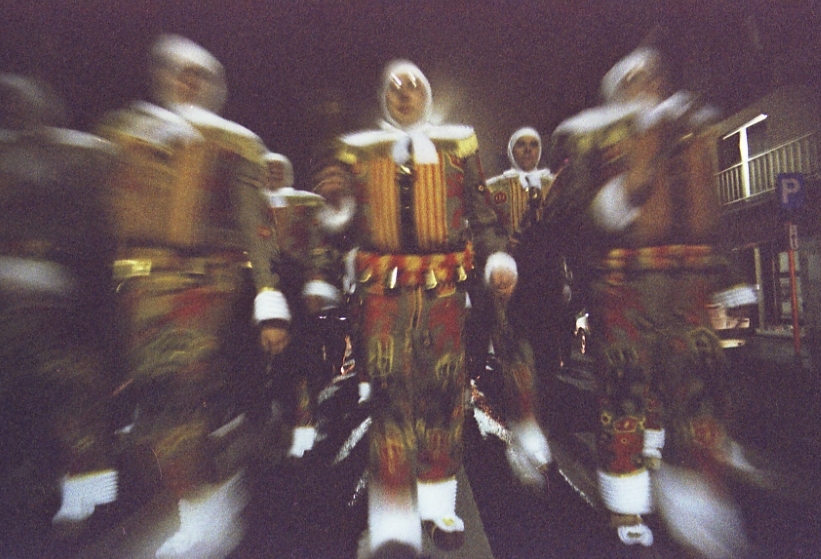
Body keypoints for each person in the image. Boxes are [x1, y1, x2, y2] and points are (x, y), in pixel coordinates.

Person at [311, 60, 550, 557]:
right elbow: (340, 228)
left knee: (444, 396)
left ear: (428, 96)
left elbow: (483, 218)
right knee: (390, 400)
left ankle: (439, 503)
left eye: (414, 86)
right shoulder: (359, 154)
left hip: (443, 294)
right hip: (382, 298)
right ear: (384, 97)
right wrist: (334, 208)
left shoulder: (457, 149)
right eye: (395, 87)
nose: (405, 93)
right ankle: (394, 515)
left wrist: (497, 259)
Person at [545, 46, 753, 554]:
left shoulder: (688, 132)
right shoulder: (592, 138)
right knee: (624, 393)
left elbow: (711, 215)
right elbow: (566, 213)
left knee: (699, 392)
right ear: (616, 89)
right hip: (625, 288)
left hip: (689, 286)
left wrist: (732, 280)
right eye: (634, 78)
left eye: (654, 75)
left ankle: (696, 499)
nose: (647, 84)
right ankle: (626, 499)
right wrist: (617, 198)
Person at [97, 35, 290, 559]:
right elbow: (109, 214)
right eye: (177, 73)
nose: (186, 84)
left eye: (197, 75)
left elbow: (256, 228)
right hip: (143, 290)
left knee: (182, 395)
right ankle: (200, 497)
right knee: (159, 403)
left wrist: (269, 296)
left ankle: (206, 512)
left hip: (203, 286)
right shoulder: (131, 134)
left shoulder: (234, 144)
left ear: (212, 86)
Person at [0, 74, 120, 559]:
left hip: (63, 295)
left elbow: (98, 235)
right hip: (31, 299)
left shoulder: (80, 157)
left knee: (69, 401)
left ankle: (82, 498)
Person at [262, 151, 346, 458]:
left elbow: (319, 245)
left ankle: (306, 426)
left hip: (298, 291)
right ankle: (276, 426)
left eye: (278, 169)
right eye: (267, 169)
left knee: (302, 361)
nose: (272, 174)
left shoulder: (307, 205)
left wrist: (316, 281)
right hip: (263, 293)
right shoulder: (254, 204)